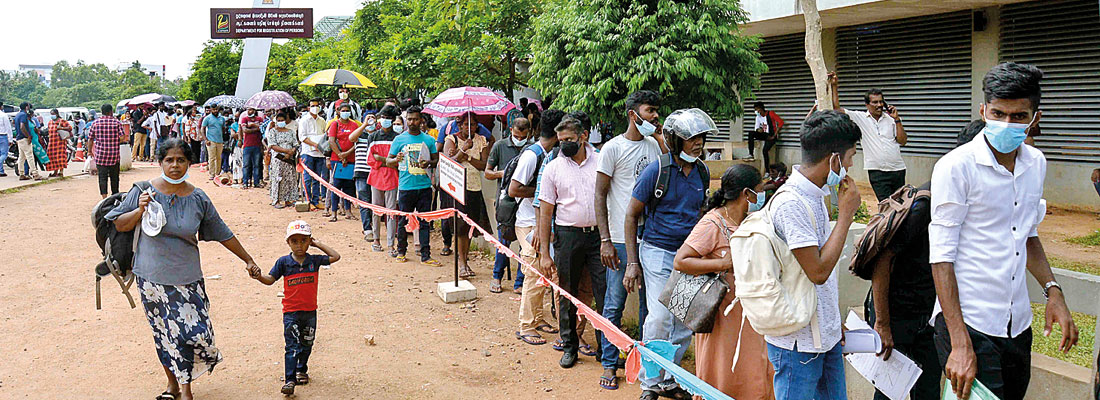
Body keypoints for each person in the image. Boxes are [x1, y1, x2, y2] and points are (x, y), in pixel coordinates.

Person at [930, 62, 1078, 400]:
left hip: (1017, 324)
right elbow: (941, 258)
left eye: (1018, 116)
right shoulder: (956, 167)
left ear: (1034, 118)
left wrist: (1053, 291)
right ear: (983, 110)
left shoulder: (1035, 163)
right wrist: (959, 342)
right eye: (998, 114)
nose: (1006, 124)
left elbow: (1027, 234)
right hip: (970, 323)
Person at [106, 138, 258, 400]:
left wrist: (248, 259)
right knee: (164, 333)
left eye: (181, 160)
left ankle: (181, 383)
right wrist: (139, 210)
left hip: (188, 280)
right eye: (169, 160)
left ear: (189, 162)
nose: (175, 165)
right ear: (160, 162)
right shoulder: (143, 190)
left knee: (194, 334)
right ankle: (178, 388)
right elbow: (120, 225)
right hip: (151, 278)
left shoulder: (198, 197)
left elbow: (222, 232)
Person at [759, 110, 861, 400]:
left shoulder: (816, 195)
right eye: (851, 157)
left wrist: (831, 319)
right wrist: (846, 217)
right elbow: (817, 271)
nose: (851, 166)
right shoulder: (792, 203)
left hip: (823, 336)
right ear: (833, 160)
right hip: (797, 344)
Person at [622, 108, 713, 400]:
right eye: (690, 139)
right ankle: (650, 383)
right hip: (658, 252)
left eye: (700, 137)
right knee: (659, 318)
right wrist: (632, 263)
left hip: (690, 256)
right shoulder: (656, 171)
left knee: (684, 321)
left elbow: (701, 212)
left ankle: (671, 380)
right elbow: (631, 215)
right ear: (675, 141)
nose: (697, 143)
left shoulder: (702, 171)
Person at [674, 164, 774, 399]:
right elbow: (681, 261)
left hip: (750, 315)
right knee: (721, 373)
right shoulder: (713, 223)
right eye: (760, 190)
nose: (762, 195)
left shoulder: (751, 220)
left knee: (754, 373)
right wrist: (721, 264)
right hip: (721, 317)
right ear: (746, 194)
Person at [594, 90, 668, 387]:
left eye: (656, 111)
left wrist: (662, 140)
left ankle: (641, 363)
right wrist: (605, 240)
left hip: (648, 239)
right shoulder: (612, 148)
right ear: (632, 114)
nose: (654, 117)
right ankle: (609, 363)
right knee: (614, 302)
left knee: (647, 308)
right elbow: (599, 194)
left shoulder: (654, 146)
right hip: (619, 240)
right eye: (650, 111)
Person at [536, 116, 607, 374]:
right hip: (567, 236)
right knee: (566, 293)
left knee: (603, 293)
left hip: (599, 237)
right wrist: (545, 253)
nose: (564, 144)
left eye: (569, 139)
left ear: (583, 136)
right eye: (561, 140)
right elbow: (545, 212)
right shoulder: (553, 168)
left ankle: (606, 350)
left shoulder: (601, 161)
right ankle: (569, 347)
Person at [247, 220, 341, 395]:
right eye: (295, 241)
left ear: (309, 241)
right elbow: (270, 280)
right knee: (292, 346)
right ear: (288, 243)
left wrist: (317, 243)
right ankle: (290, 380)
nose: (300, 245)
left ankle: (301, 369)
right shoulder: (283, 263)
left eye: (304, 240)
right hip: (291, 312)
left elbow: (335, 256)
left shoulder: (314, 260)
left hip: (310, 311)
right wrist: (258, 277)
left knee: (307, 344)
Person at [511, 110, 563, 346]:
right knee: (533, 270)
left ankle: (539, 318)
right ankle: (526, 325)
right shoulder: (533, 155)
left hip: (539, 221)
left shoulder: (548, 154)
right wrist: (546, 194)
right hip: (527, 222)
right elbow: (514, 189)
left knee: (545, 271)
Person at [829, 72, 908, 201]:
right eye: (875, 102)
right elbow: (837, 109)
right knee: (886, 205)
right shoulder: (860, 118)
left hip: (897, 169)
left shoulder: (891, 119)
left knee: (900, 205)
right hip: (877, 172)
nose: (879, 105)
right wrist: (834, 86)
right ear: (867, 104)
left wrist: (897, 120)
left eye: (881, 102)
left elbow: (903, 141)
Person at [386, 106, 441, 265]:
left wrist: (429, 163)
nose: (412, 122)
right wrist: (396, 159)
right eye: (409, 119)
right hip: (405, 187)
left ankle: (426, 255)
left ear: (421, 120)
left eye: (415, 119)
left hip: (424, 187)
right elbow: (388, 161)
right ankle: (401, 251)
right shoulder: (399, 140)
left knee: (424, 222)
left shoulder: (429, 140)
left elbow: (436, 160)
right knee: (403, 221)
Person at [442, 111, 493, 278]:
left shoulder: (481, 140)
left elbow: (484, 165)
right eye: (466, 124)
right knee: (460, 227)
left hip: (474, 187)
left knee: (470, 226)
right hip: (456, 188)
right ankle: (462, 264)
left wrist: (468, 158)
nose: (469, 127)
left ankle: (465, 260)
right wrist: (462, 150)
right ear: (460, 125)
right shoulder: (451, 139)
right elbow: (450, 161)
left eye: (473, 124)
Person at [485, 117, 532, 294]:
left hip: (525, 204)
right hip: (505, 203)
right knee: (503, 241)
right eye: (516, 135)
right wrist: (504, 174)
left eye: (523, 136)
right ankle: (497, 276)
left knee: (525, 246)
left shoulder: (532, 149)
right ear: (510, 130)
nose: (519, 139)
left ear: (529, 133)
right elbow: (488, 173)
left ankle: (520, 281)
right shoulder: (500, 146)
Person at [364, 107, 401, 254]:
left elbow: (398, 160)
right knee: (376, 210)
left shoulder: (397, 138)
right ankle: (376, 240)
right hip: (376, 176)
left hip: (392, 177)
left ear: (392, 120)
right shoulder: (372, 137)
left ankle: (391, 244)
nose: (384, 119)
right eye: (382, 116)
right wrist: (388, 161)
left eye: (387, 117)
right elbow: (371, 159)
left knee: (391, 212)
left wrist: (383, 160)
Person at [326, 104, 359, 222]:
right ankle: (334, 212)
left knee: (349, 187)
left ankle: (348, 211)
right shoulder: (335, 124)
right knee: (336, 186)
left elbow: (357, 142)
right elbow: (331, 141)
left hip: (351, 159)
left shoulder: (354, 125)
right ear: (338, 112)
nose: (345, 112)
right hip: (337, 160)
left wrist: (347, 154)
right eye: (343, 110)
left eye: (347, 111)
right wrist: (340, 155)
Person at [89, 104, 128, 198]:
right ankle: (115, 196)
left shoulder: (95, 123)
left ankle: (104, 198)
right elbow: (123, 137)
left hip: (101, 155)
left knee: (102, 177)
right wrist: (114, 140)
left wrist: (90, 151)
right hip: (114, 155)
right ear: (110, 111)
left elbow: (90, 139)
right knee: (114, 178)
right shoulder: (116, 122)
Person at [351, 112, 379, 240]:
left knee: (375, 201)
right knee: (364, 200)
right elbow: (351, 138)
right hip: (361, 171)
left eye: (373, 118)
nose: (371, 121)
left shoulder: (378, 135)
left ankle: (375, 227)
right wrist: (364, 125)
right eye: (368, 118)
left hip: (376, 172)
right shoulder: (360, 134)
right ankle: (367, 229)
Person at [298, 99, 329, 209]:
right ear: (308, 107)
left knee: (317, 178)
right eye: (312, 106)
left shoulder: (322, 121)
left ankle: (316, 200)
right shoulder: (304, 120)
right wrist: (314, 144)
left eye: (317, 105)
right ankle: (308, 200)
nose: (315, 107)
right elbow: (302, 137)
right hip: (308, 152)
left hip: (319, 153)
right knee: (307, 178)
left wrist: (320, 145)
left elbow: (325, 135)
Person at [266, 112, 300, 209]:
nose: (281, 122)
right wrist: (286, 151)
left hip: (289, 159)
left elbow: (295, 144)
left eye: (282, 120)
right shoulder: (273, 132)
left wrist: (291, 152)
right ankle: (276, 200)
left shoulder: (290, 132)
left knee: (289, 178)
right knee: (277, 178)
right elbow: (272, 145)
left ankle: (288, 199)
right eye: (279, 120)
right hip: (278, 158)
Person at [748, 101, 784, 168]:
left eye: (756, 109)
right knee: (751, 134)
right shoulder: (758, 117)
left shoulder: (771, 114)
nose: (755, 111)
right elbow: (756, 128)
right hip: (764, 135)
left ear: (760, 109)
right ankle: (751, 154)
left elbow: (781, 122)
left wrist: (774, 135)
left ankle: (767, 171)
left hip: (771, 135)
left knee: (765, 151)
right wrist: (759, 130)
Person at [239, 107, 265, 189]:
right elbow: (245, 130)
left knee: (257, 165)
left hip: (257, 144)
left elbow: (261, 129)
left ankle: (256, 182)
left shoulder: (260, 118)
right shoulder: (244, 119)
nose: (251, 111)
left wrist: (252, 125)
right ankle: (245, 182)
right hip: (247, 145)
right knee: (246, 165)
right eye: (249, 110)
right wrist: (255, 128)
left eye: (253, 109)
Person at [45, 109, 71, 177]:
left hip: (60, 142)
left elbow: (70, 128)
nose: (52, 115)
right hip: (52, 142)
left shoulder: (62, 121)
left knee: (60, 157)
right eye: (51, 114)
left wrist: (61, 127)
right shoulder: (50, 122)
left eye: (53, 114)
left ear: (57, 114)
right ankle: (55, 171)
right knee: (52, 157)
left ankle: (61, 171)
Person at [201, 106, 226, 179]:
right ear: (211, 110)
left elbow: (223, 128)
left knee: (219, 158)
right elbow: (202, 129)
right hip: (210, 141)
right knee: (212, 158)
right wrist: (206, 140)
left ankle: (217, 173)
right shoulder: (207, 118)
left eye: (216, 109)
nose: (215, 111)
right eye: (214, 109)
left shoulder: (222, 118)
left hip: (220, 141)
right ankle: (212, 174)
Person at [0, 102, 10, 177]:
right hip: (3, 136)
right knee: (4, 154)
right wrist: (10, 138)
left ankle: (1, 170)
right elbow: (8, 127)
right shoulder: (3, 115)